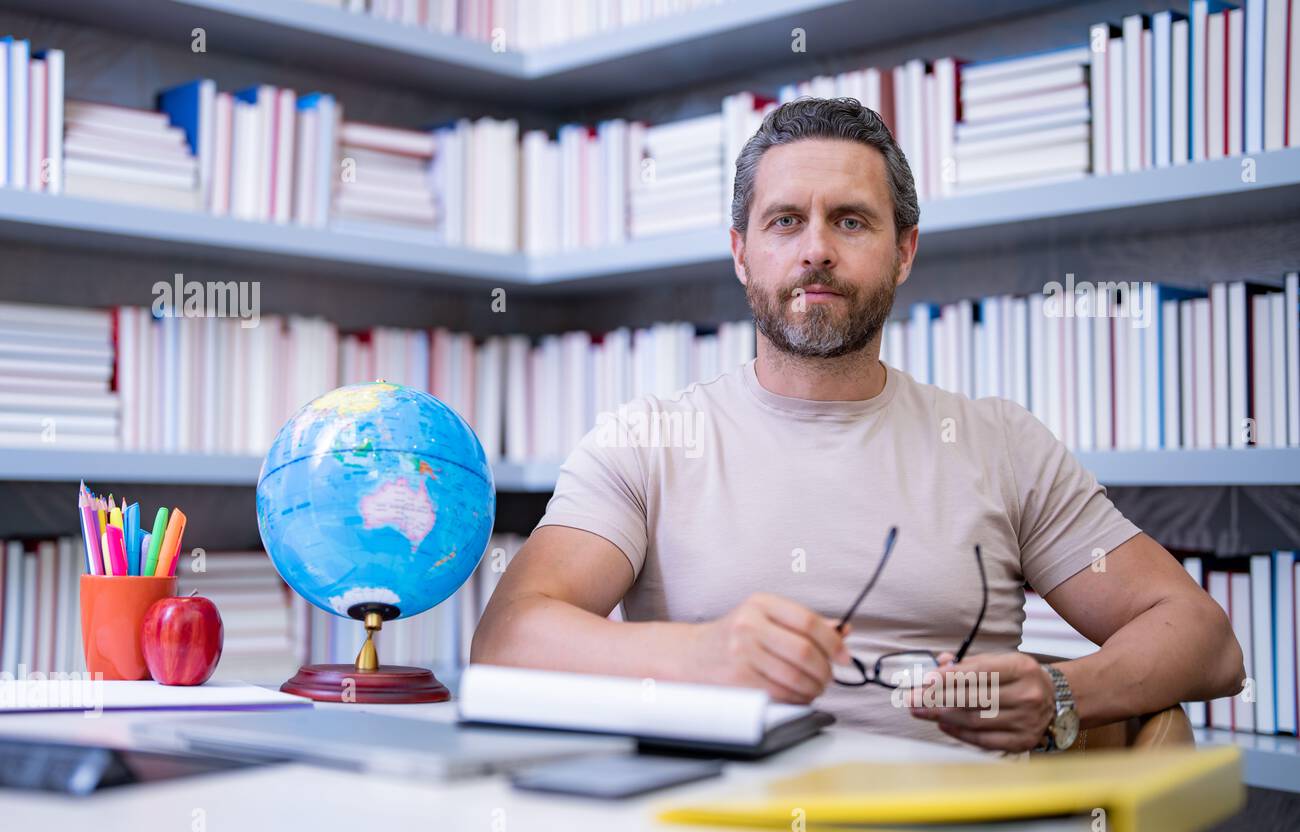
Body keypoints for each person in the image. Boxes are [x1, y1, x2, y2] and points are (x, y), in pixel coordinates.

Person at [471, 97, 1245, 753]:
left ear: (904, 250)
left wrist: (1062, 693)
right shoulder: (645, 443)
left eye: (850, 221)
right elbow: (506, 644)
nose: (815, 251)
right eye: (784, 222)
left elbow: (1206, 642)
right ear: (741, 253)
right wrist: (700, 652)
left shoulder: (1001, 444)